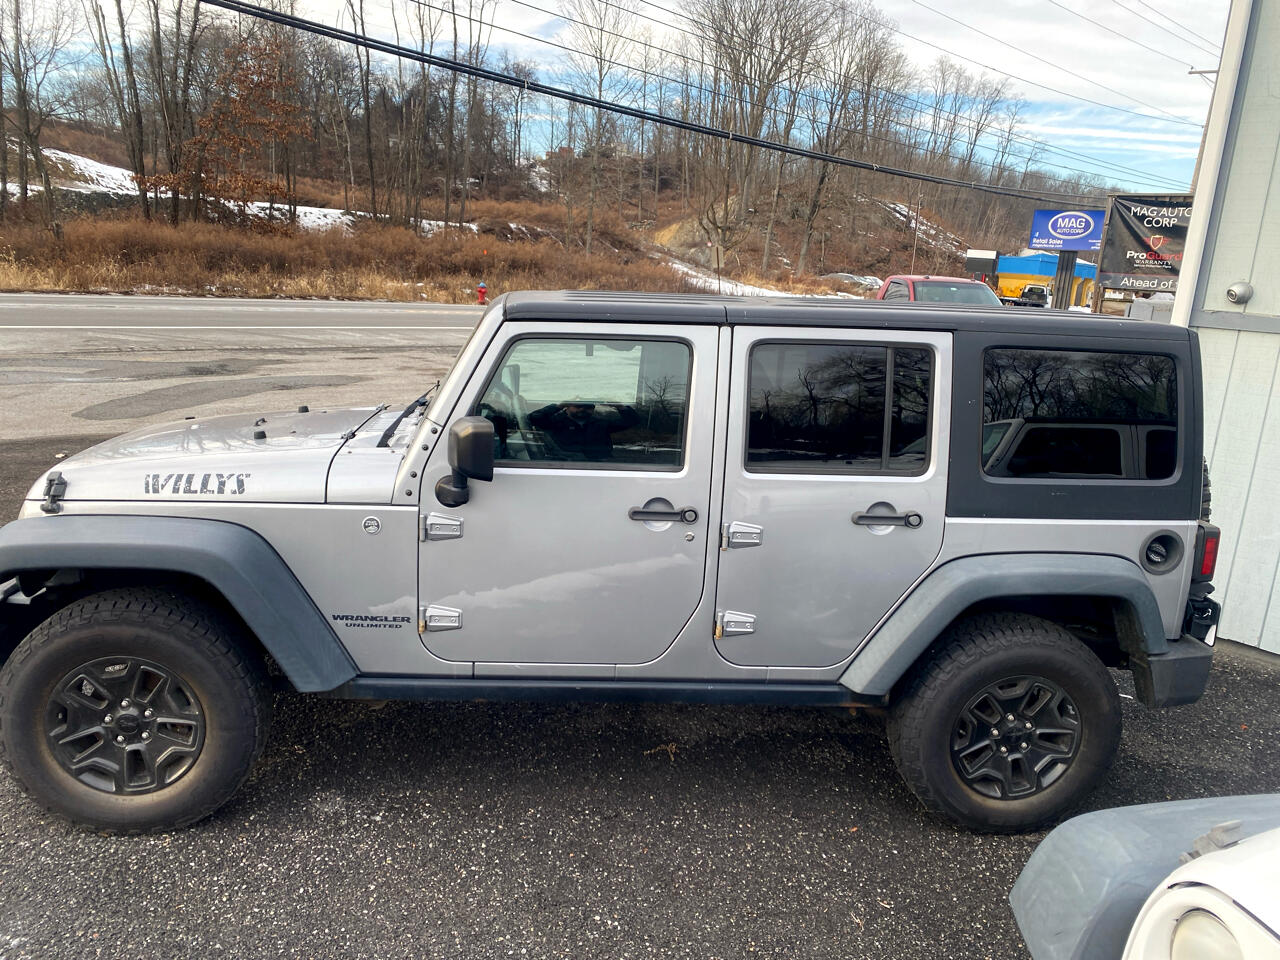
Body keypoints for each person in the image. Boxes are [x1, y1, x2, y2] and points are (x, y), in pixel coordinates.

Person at [527, 398, 640, 460]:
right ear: (567, 407)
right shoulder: (555, 422)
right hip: (564, 466)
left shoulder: (601, 423)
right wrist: (558, 406)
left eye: (588, 407)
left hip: (601, 467)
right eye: (578, 406)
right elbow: (533, 418)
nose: (582, 409)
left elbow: (632, 421)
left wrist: (620, 406)